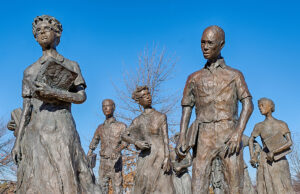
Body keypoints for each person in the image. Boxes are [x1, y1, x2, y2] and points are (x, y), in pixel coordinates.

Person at [11, 15, 100, 194]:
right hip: (36, 131)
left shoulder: (71, 65)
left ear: (57, 33)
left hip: (62, 127)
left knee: (66, 174)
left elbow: (82, 97)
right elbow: (27, 108)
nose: (42, 33)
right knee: (37, 178)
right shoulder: (29, 71)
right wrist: (17, 142)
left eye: (46, 29)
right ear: (35, 38)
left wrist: (54, 93)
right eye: (38, 31)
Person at [176, 25, 253, 194]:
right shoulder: (194, 78)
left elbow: (248, 103)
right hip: (204, 135)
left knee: (234, 185)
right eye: (202, 42)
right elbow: (186, 108)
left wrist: (238, 133)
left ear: (221, 45)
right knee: (198, 184)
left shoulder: (234, 75)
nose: (205, 47)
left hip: (229, 134)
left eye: (210, 43)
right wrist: (182, 137)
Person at [122, 86, 175, 194]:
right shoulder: (138, 120)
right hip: (146, 159)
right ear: (139, 101)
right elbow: (124, 135)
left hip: (160, 157)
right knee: (143, 188)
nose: (148, 97)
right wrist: (136, 142)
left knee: (165, 189)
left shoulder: (161, 116)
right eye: (144, 96)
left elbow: (166, 139)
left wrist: (167, 157)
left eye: (148, 94)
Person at [249, 98, 295, 194]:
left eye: (262, 105)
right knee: (269, 187)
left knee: (285, 186)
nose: (260, 108)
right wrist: (253, 156)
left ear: (270, 107)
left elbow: (290, 142)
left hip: (280, 159)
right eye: (259, 106)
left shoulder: (282, 124)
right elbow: (250, 139)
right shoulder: (259, 126)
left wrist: (274, 152)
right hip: (266, 161)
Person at [87, 99, 127, 194]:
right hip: (103, 163)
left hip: (115, 162)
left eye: (108, 105)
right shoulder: (100, 127)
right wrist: (88, 155)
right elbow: (94, 142)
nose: (105, 108)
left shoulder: (121, 126)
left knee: (117, 188)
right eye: (103, 106)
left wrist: (117, 150)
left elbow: (126, 142)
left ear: (113, 107)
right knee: (101, 188)